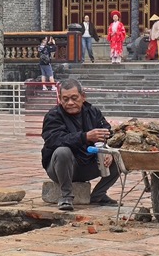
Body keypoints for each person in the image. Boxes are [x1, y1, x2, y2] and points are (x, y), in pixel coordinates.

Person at [41, 78, 119, 211]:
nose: (70, 103)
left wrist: (108, 150)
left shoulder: (93, 112)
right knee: (62, 151)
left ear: (83, 96)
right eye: (65, 99)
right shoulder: (53, 116)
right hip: (60, 167)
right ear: (60, 99)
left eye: (74, 98)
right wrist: (85, 137)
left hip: (88, 164)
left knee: (119, 156)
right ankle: (66, 196)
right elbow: (54, 140)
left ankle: (98, 195)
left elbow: (108, 133)